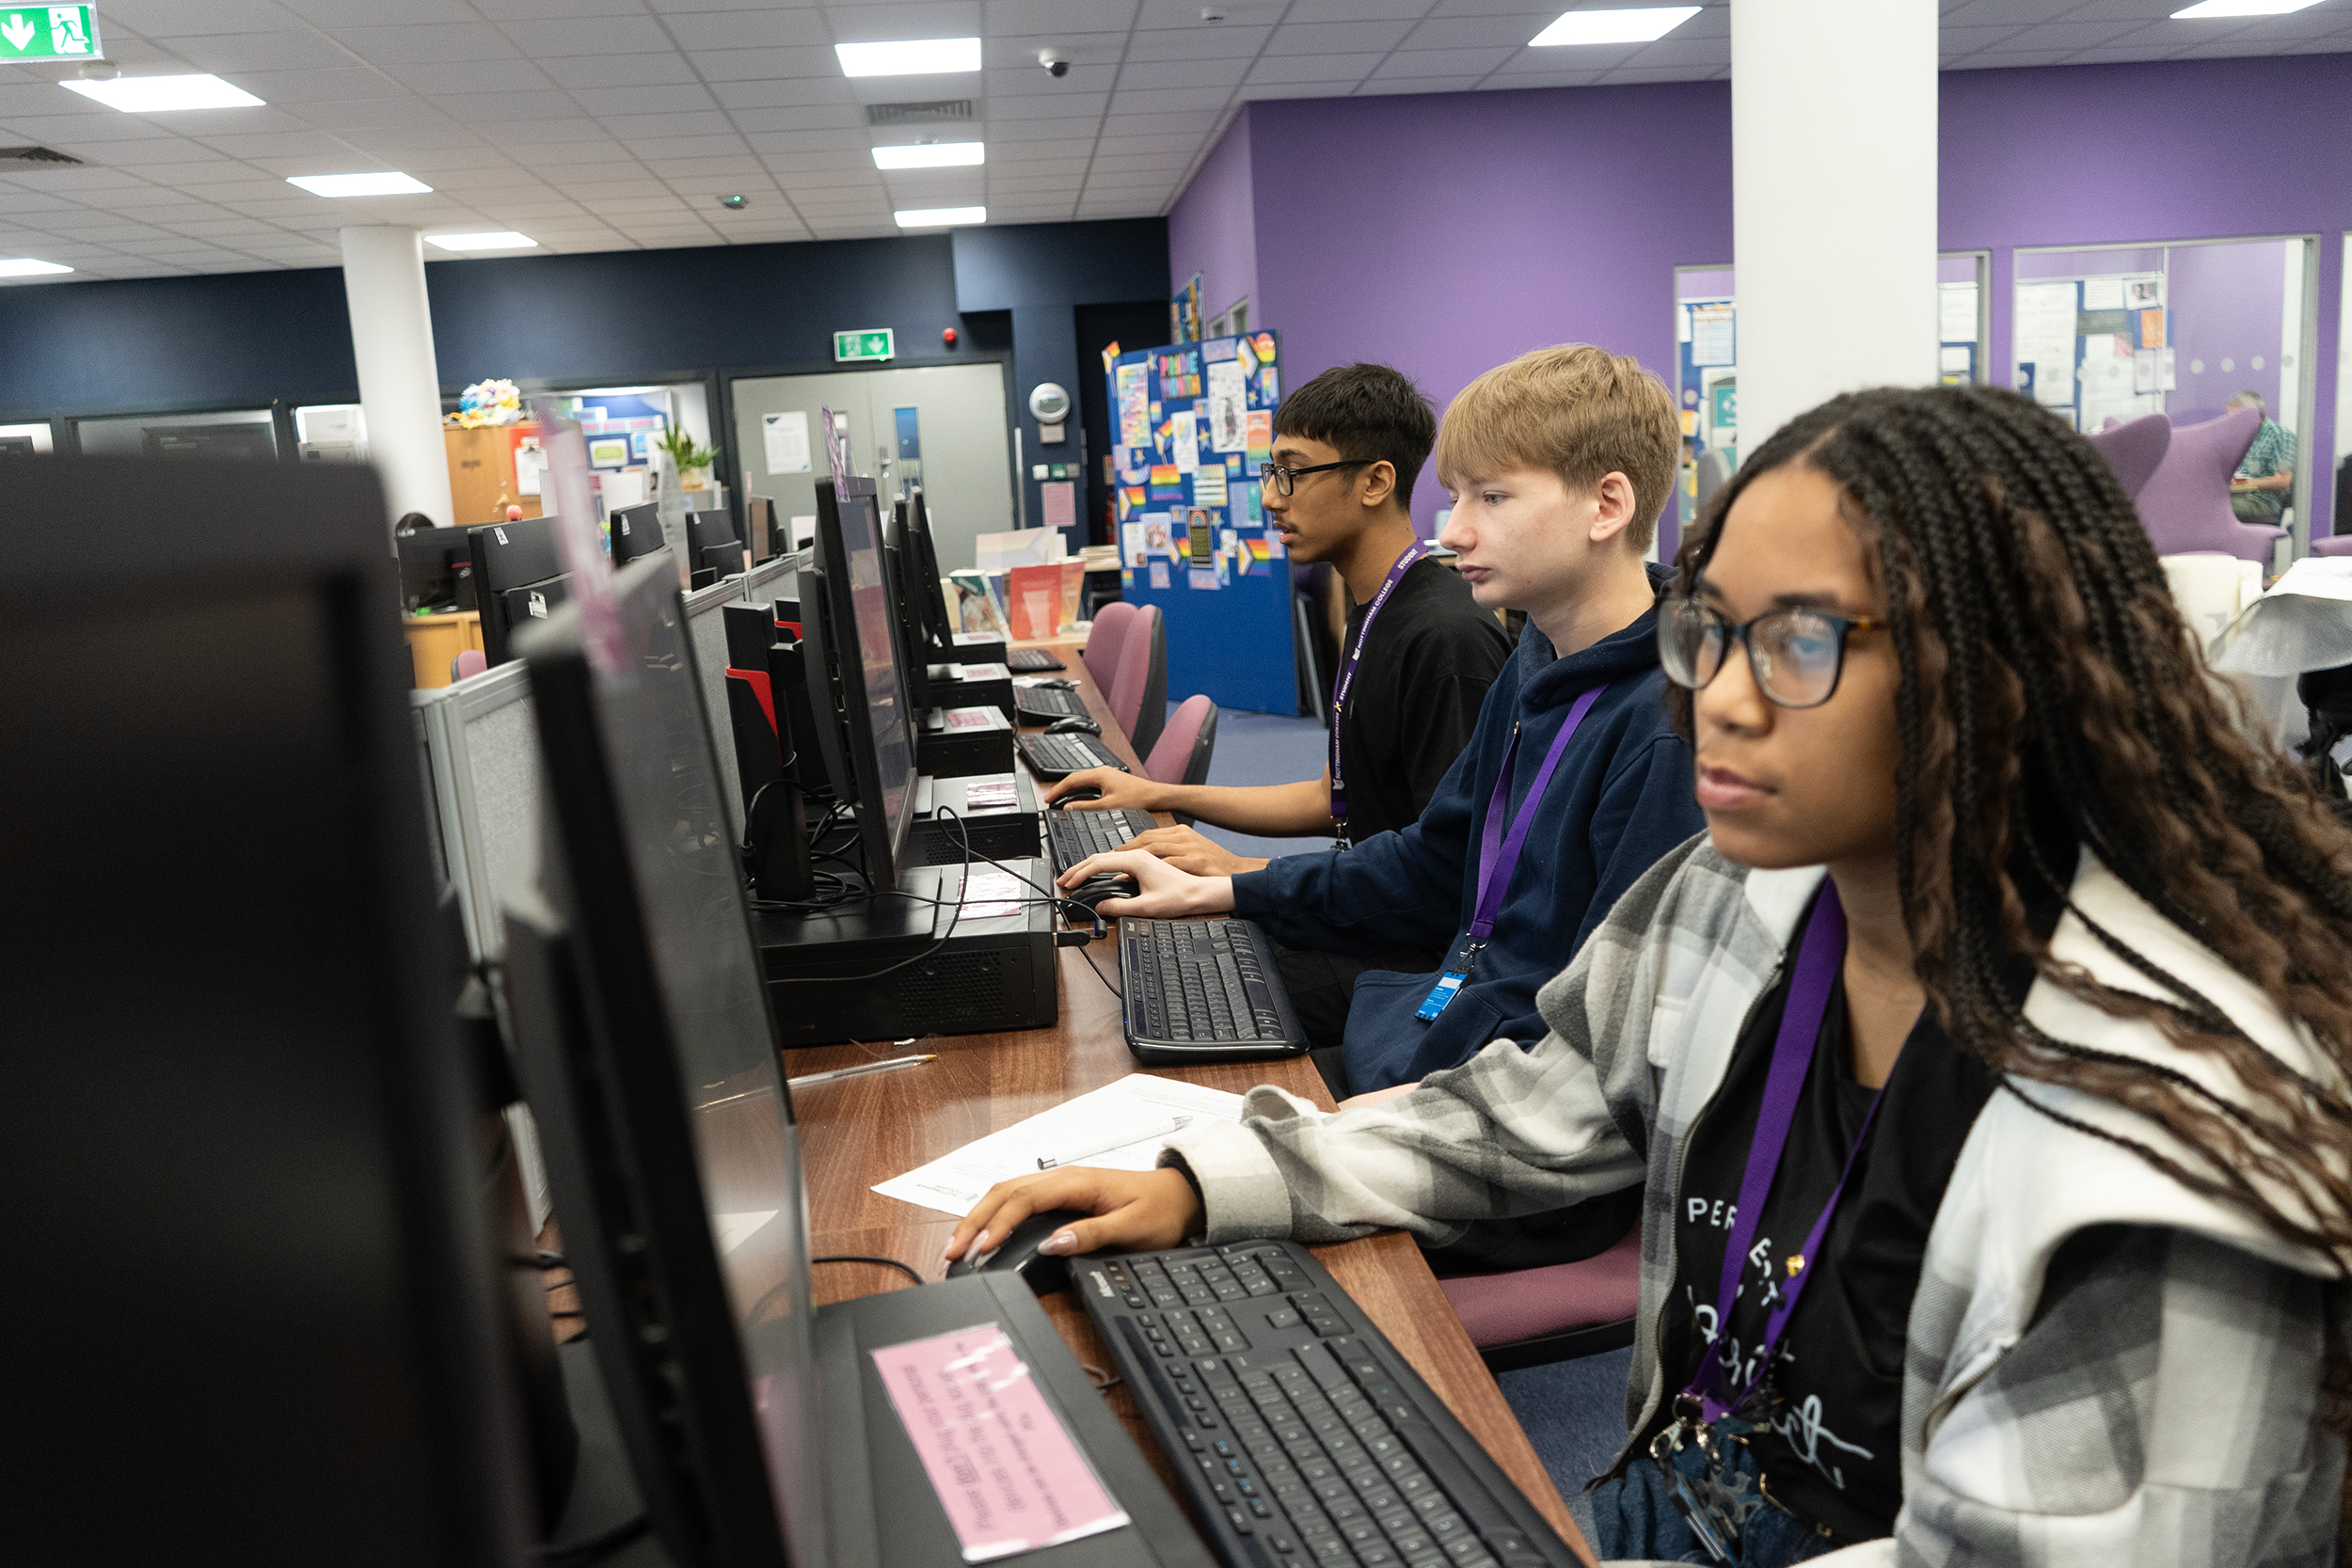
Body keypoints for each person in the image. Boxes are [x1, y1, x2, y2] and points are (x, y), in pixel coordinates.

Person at [960, 385, 2352, 1566]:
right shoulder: (1744, 893)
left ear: (2002, 670)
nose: (1722, 695)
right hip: (1682, 1496)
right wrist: (1207, 1179)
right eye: (1714, 627)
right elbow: (1533, 1105)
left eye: (1801, 640)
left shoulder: (2173, 1143)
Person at [1059, 344, 1707, 1101]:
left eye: (1490, 498)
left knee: (1162, 1081)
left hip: (1504, 1093)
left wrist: (1350, 1134)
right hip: (1448, 1022)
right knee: (1134, 1035)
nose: (1454, 530)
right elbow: (1433, 860)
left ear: (1607, 505)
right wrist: (1223, 891)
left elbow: (1596, 1059)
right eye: (1456, 496)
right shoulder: (1539, 661)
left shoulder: (1665, 732)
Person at [1046, 362, 1511, 879]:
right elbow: (1333, 797)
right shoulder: (1377, 609)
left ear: (1375, 482)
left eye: (1291, 472)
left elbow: (1450, 873)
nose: (1270, 497)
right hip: (1364, 906)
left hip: (1404, 948)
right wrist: (1160, 792)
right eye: (1272, 473)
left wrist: (1243, 870)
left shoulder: (1447, 641)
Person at [2229, 389, 2296, 522]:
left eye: (2235, 418)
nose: (2231, 423)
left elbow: (2284, 480)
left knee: (2210, 509)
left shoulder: (2280, 435)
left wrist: (2244, 484)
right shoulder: (2247, 437)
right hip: (2241, 497)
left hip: (2263, 503)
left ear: (2256, 416)